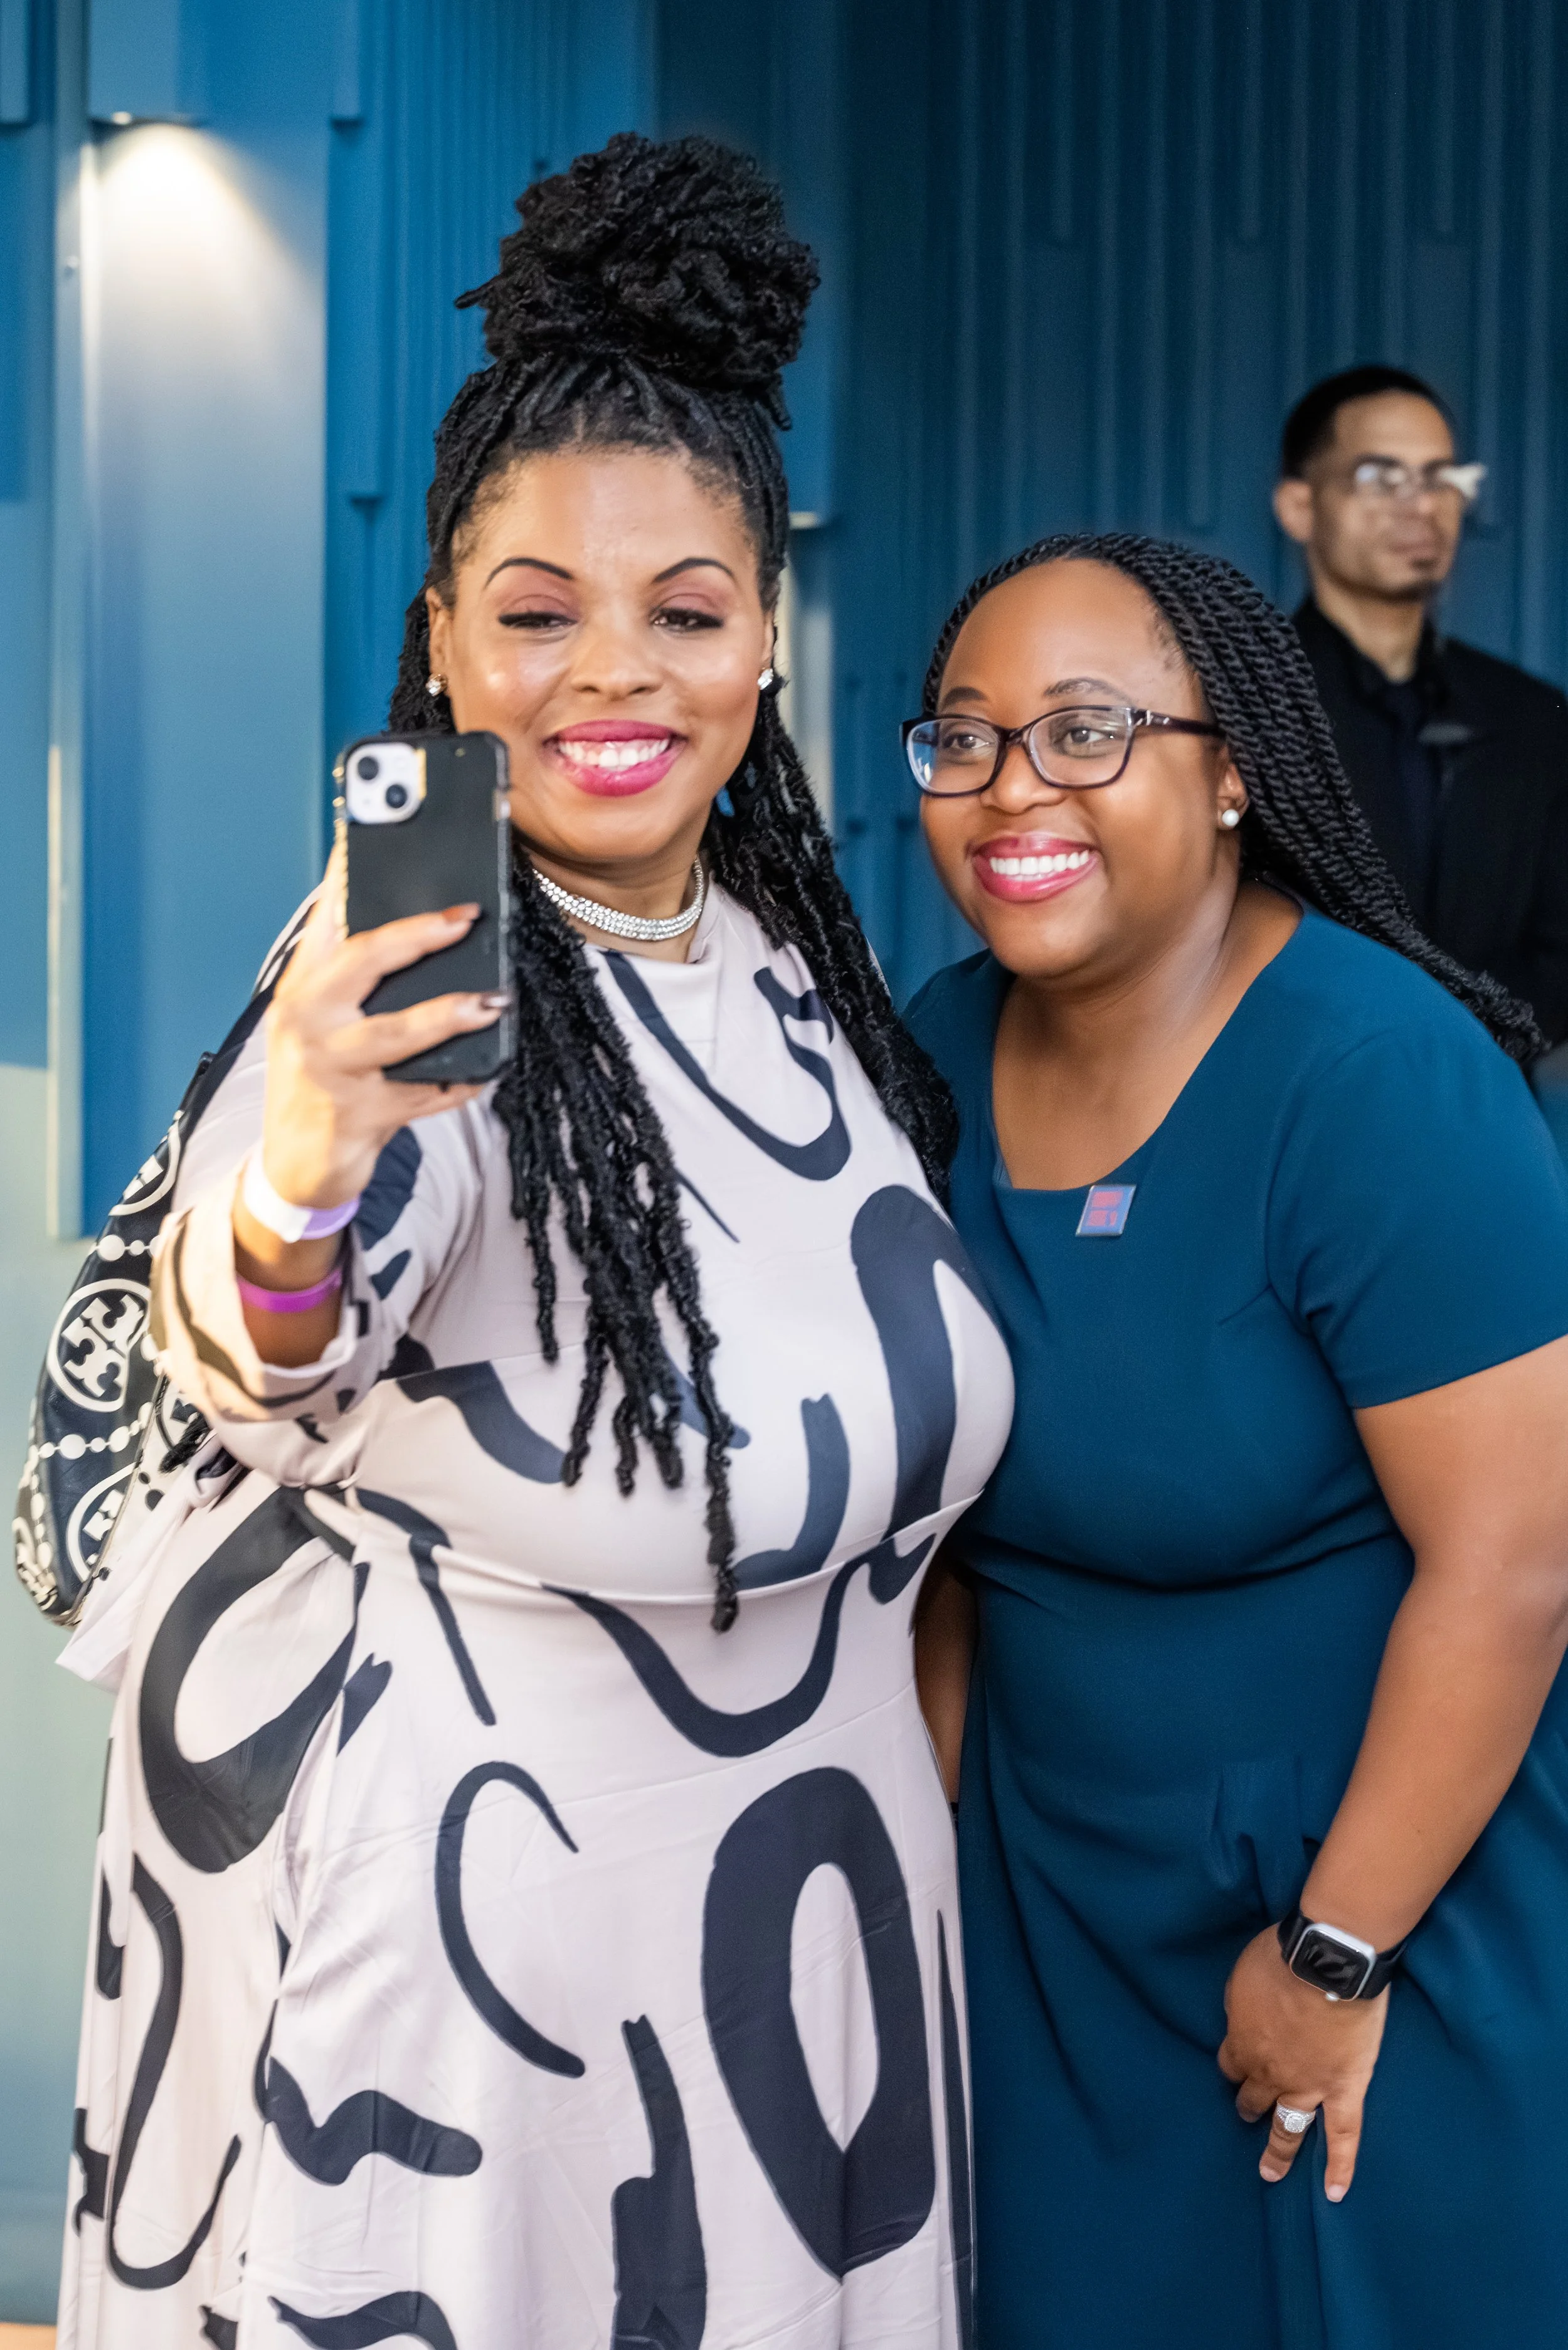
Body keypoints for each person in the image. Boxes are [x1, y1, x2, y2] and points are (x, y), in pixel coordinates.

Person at [51, 134, 1010, 2350]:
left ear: (764, 643)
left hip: (796, 1943)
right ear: (443, 641)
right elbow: (276, 1335)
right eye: (537, 609)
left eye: (684, 609)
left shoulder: (788, 964)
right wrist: (302, 1162)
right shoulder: (406, 984)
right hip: (491, 1988)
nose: (616, 675)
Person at [907, 531, 1568, 2349]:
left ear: (1230, 776)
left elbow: (1516, 1562)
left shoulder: (1376, 1072)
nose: (1011, 788)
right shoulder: (926, 1055)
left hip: (1368, 1896)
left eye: (1084, 731)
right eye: (962, 737)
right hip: (1049, 1907)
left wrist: (1337, 1948)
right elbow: (938, 1547)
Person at [1275, 363, 1568, 1043]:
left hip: (1483, 1089)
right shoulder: (1244, 712)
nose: (1421, 505)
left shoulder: (1532, 717)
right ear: (1299, 506)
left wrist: (1447, 1048)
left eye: (1440, 477)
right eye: (1380, 477)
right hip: (1296, 1085)